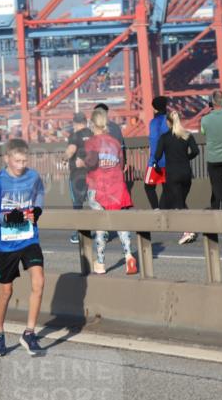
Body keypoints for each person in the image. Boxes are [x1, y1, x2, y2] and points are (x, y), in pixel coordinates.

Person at [0, 138, 45, 356]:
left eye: (24, 161)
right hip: (5, 243)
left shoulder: (33, 176)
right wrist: (5, 218)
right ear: (7, 158)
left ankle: (29, 333)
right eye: (16, 161)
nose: (20, 165)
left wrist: (37, 210)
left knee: (39, 281)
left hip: (28, 238)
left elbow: (40, 193)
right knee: (6, 291)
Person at [85, 108, 138, 275]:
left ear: (92, 124)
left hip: (98, 188)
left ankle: (100, 263)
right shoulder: (115, 142)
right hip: (116, 187)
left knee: (101, 227)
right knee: (121, 223)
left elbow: (91, 163)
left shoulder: (91, 142)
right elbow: (121, 165)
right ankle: (129, 255)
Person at [154, 110, 200, 245]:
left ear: (168, 122)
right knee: (181, 201)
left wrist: (156, 165)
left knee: (179, 203)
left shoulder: (164, 137)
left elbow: (157, 156)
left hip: (172, 174)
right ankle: (189, 229)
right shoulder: (187, 135)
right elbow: (196, 151)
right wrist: (186, 158)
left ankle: (188, 231)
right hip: (186, 173)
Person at [65, 112, 93, 243]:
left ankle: (78, 233)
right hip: (93, 173)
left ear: (75, 123)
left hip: (78, 174)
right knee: (95, 203)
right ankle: (102, 231)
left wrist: (64, 158)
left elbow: (70, 151)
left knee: (77, 204)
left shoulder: (75, 136)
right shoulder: (92, 134)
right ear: (85, 122)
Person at [144, 95, 170, 210]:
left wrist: (154, 160)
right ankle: (163, 208)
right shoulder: (170, 120)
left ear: (154, 109)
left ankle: (157, 209)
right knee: (167, 187)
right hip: (169, 160)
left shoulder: (153, 123)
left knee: (148, 186)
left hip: (156, 161)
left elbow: (154, 141)